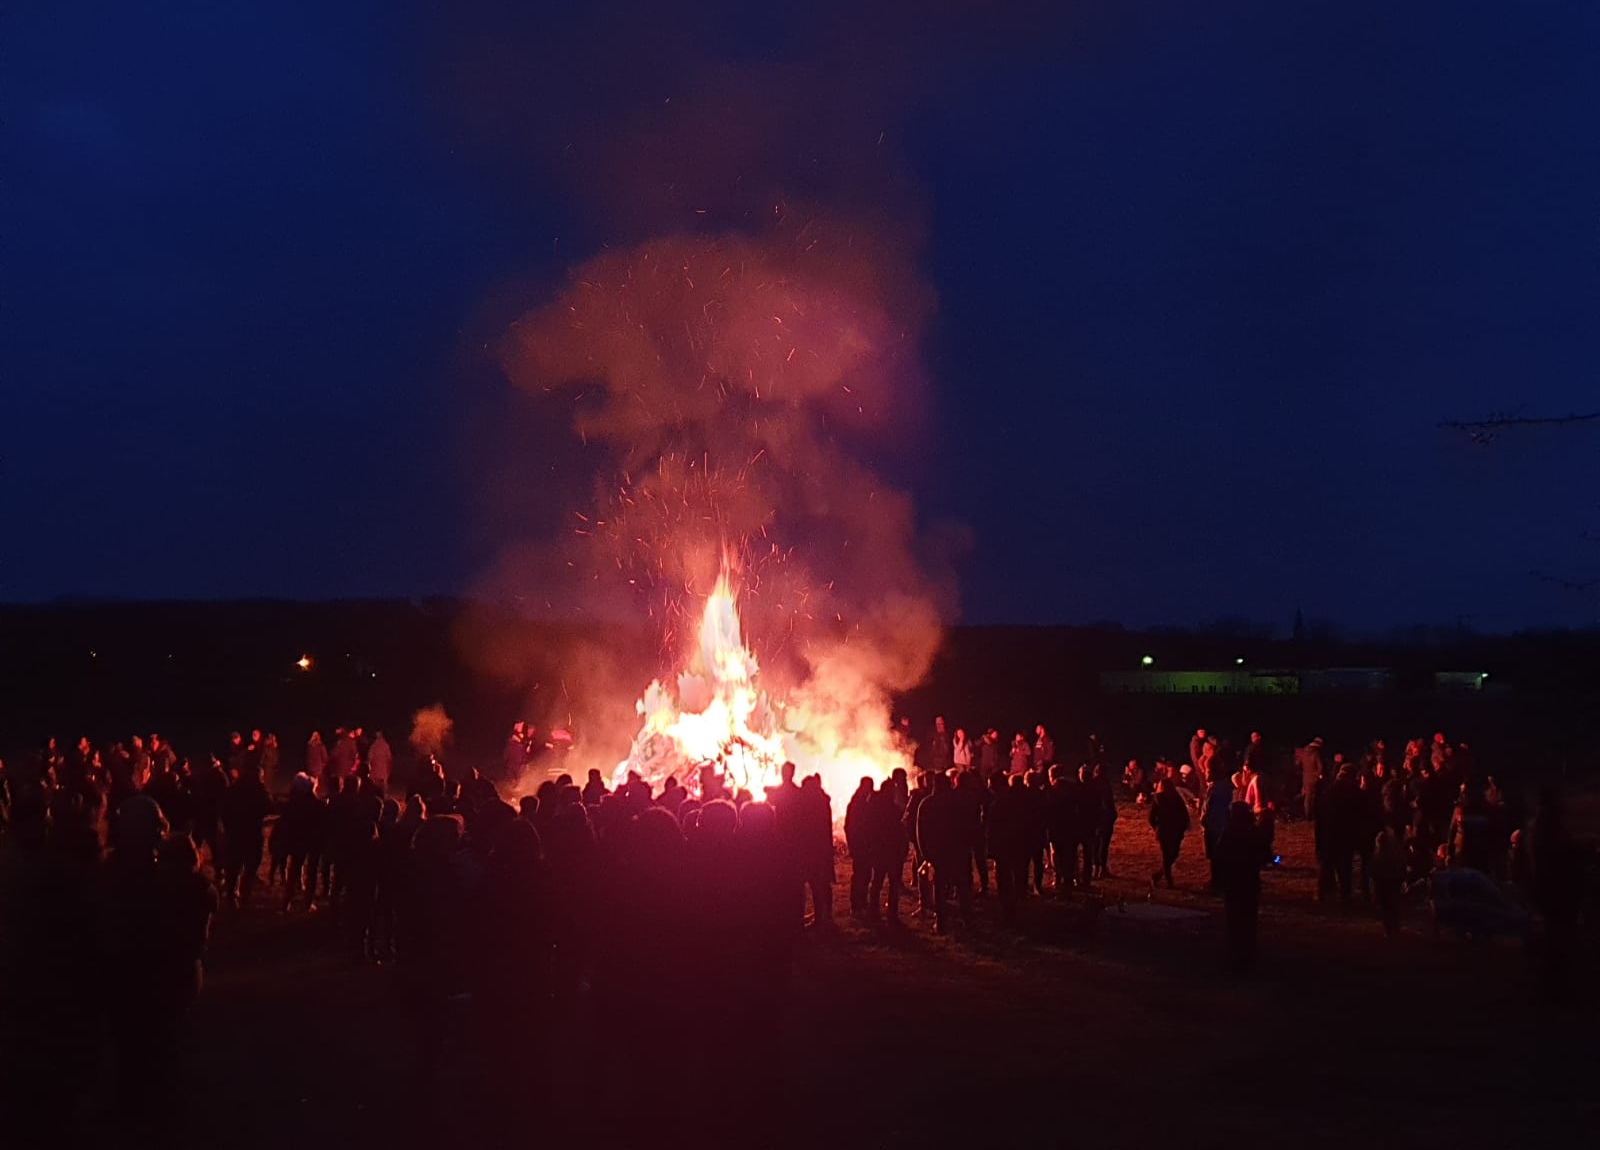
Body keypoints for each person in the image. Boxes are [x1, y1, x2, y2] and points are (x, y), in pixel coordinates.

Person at [1215, 802, 1269, 972]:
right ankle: (1247, 953)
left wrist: (1220, 878)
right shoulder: (1254, 832)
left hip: (1233, 882)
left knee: (1234, 919)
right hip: (1249, 881)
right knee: (1249, 918)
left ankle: (1235, 953)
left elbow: (1219, 855)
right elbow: (1265, 855)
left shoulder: (1229, 833)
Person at [1148, 777, 1190, 888]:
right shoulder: (1175, 798)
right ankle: (1168, 879)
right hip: (1174, 831)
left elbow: (1151, 817)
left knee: (1168, 855)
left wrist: (1156, 827)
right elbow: (1184, 814)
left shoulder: (1160, 799)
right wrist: (1183, 826)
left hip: (1164, 831)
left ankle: (1159, 875)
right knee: (1171, 855)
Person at [845, 777, 876, 918]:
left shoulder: (866, 802)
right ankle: (856, 905)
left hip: (866, 845)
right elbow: (849, 826)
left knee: (866, 875)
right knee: (859, 876)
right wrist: (853, 845)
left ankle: (862, 903)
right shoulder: (856, 803)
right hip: (860, 846)